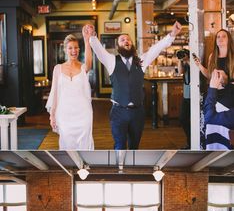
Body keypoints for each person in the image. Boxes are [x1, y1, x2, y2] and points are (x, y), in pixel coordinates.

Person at [86, 21, 182, 150]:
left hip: (138, 112)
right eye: (122, 40)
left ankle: (131, 169)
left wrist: (172, 34)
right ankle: (120, 169)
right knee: (119, 146)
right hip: (118, 112)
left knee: (134, 147)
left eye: (128, 39)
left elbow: (156, 48)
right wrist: (92, 36)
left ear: (132, 44)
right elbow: (98, 50)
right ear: (118, 46)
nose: (126, 41)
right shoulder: (112, 61)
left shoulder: (141, 60)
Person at [46, 28, 94, 150]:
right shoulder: (58, 69)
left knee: (85, 142)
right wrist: (52, 115)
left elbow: (89, 63)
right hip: (64, 113)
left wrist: (87, 40)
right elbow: (55, 93)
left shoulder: (83, 68)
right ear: (65, 50)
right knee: (66, 143)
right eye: (70, 48)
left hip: (83, 113)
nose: (74, 51)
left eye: (76, 48)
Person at [203, 69, 234, 149]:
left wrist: (213, 88)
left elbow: (209, 118)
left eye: (218, 74)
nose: (215, 72)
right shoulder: (207, 95)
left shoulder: (232, 91)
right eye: (213, 74)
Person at [177, 49, 191, 149]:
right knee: (183, 119)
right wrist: (180, 60)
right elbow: (180, 71)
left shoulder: (193, 63)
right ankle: (190, 141)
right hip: (186, 95)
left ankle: (192, 143)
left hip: (195, 96)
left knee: (194, 120)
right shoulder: (185, 64)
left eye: (184, 54)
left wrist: (189, 59)